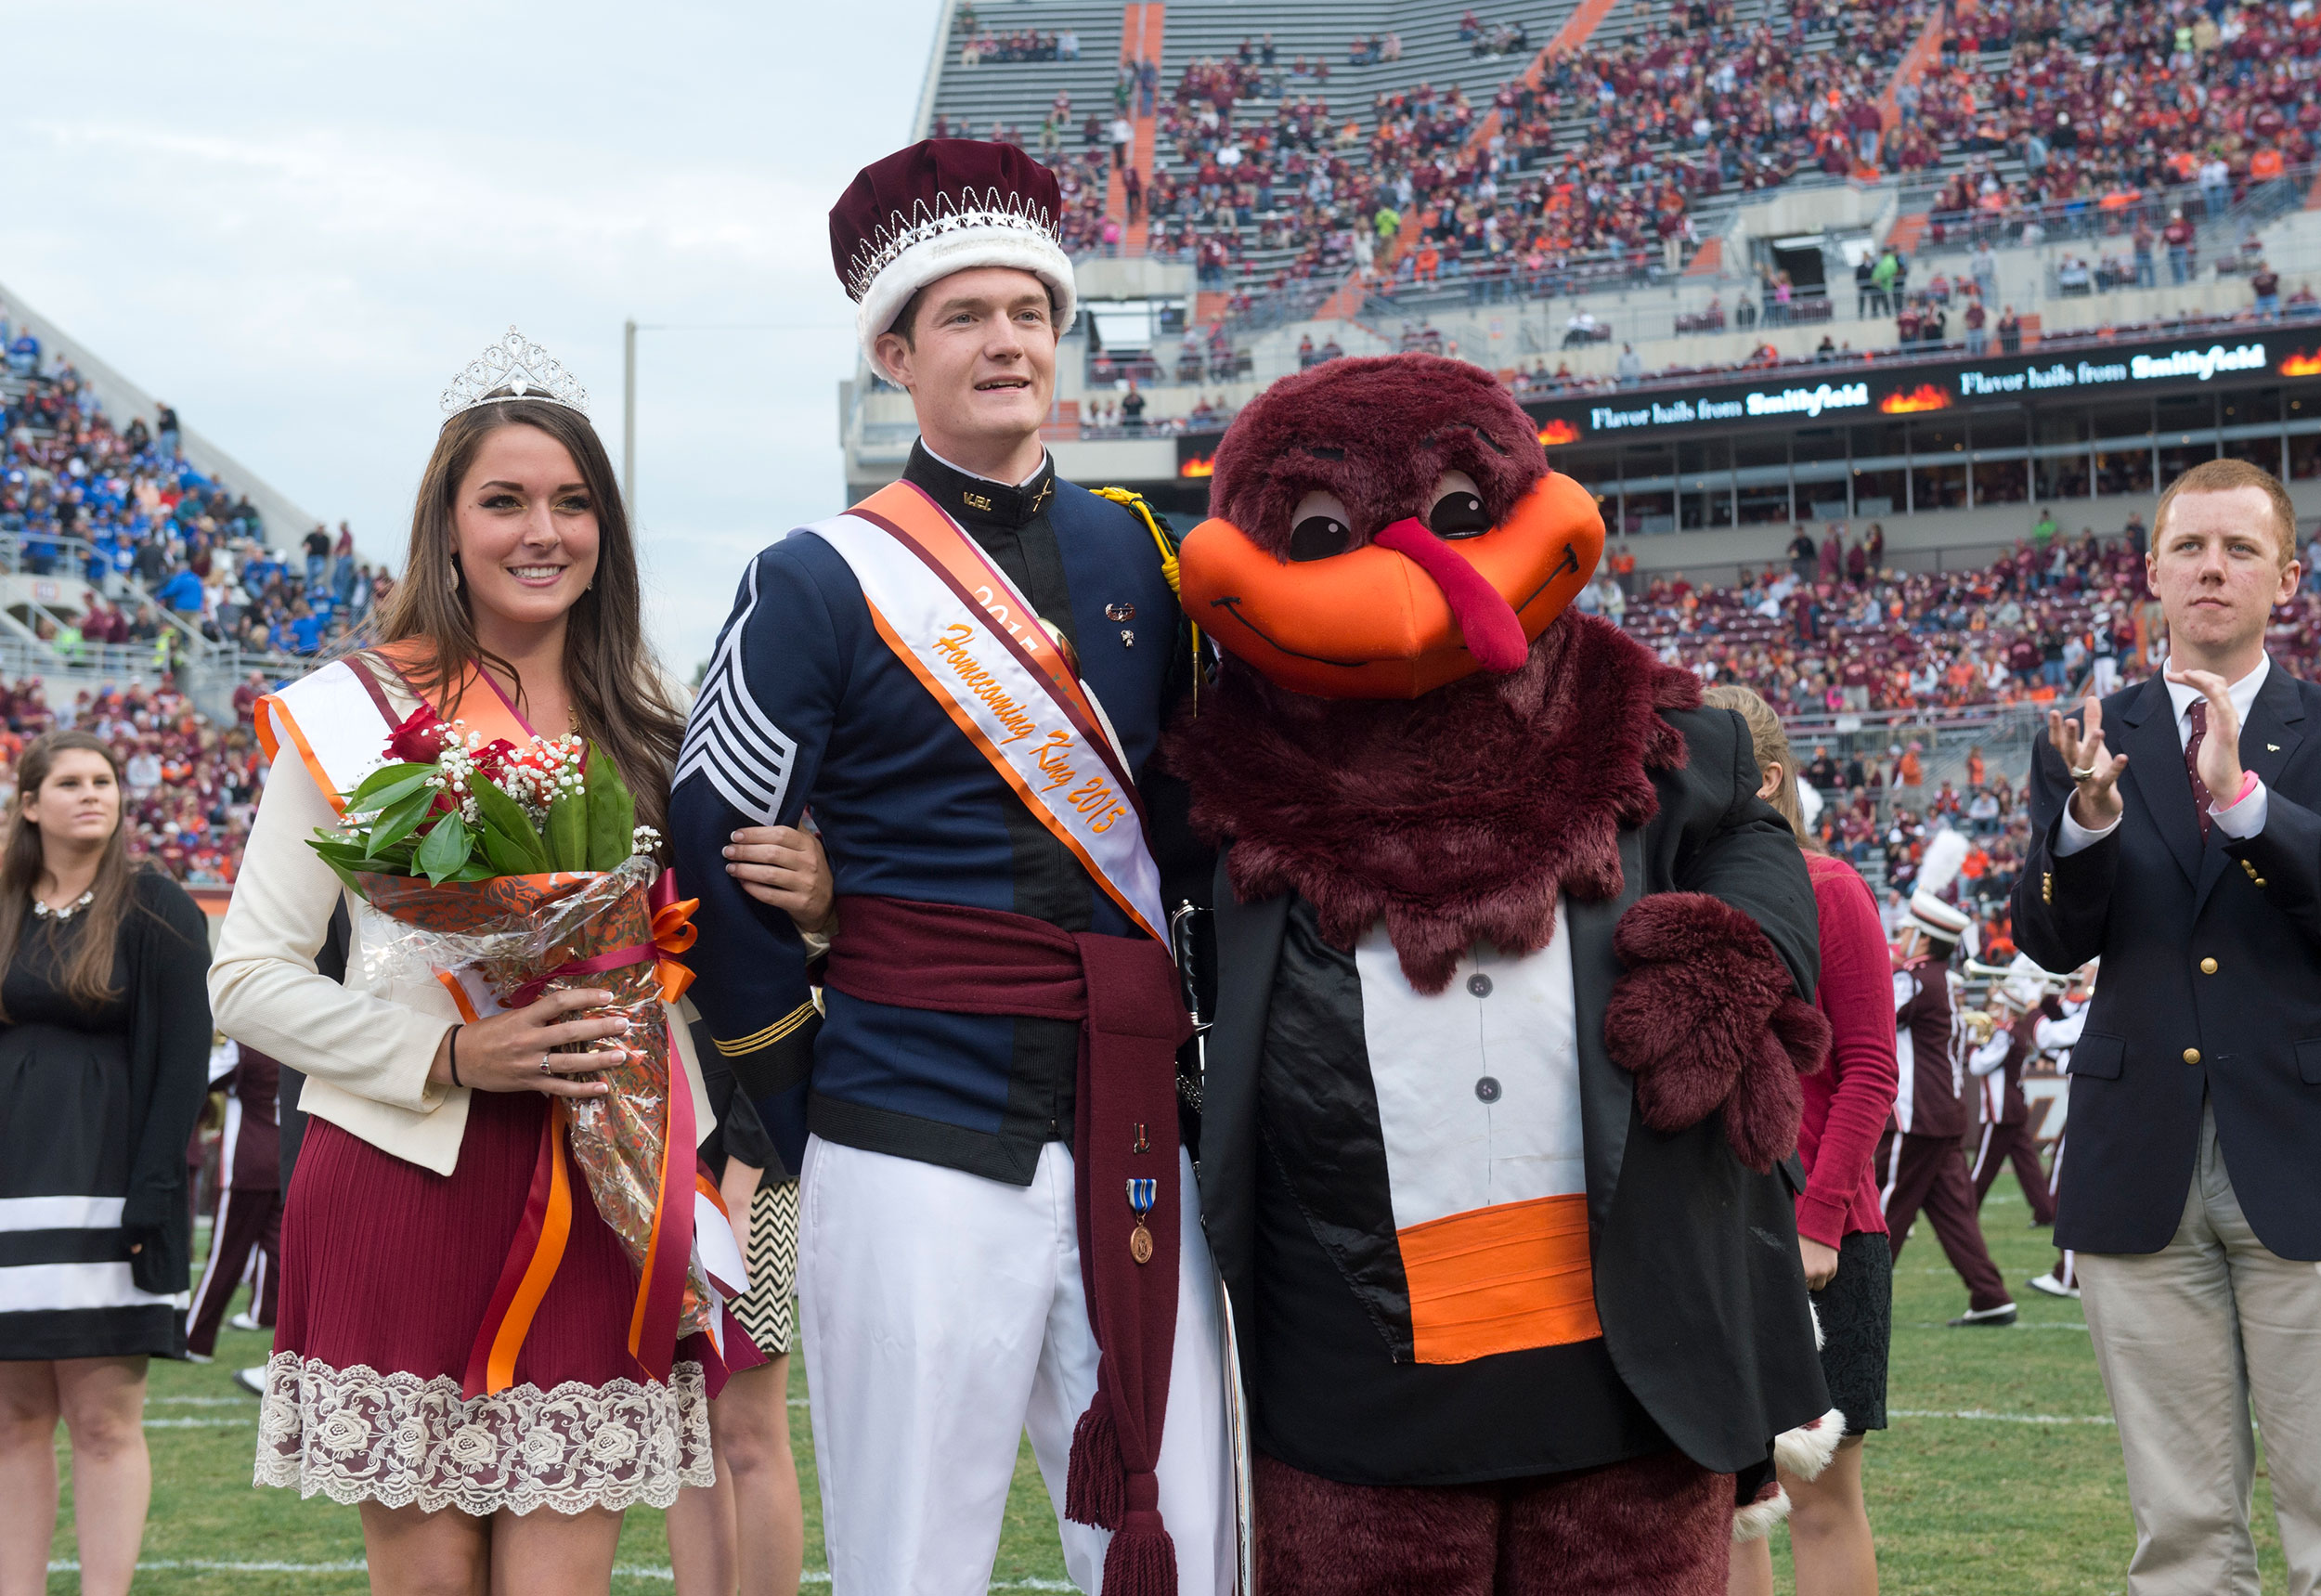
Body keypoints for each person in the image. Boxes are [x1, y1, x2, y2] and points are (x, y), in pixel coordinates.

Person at [670, 140, 1232, 1594]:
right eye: (968, 317)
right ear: (894, 350)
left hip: (1130, 1118)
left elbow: (1191, 831)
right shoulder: (818, 574)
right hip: (904, 1113)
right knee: (911, 1554)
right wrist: (796, 1085)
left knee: (1187, 1528)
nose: (1007, 343)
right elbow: (711, 836)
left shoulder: (1149, 558)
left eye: (1031, 313)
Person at [211, 327, 761, 1594]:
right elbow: (244, 976)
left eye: (573, 503)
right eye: (504, 499)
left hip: (603, 1189)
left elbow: (696, 962)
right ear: (446, 528)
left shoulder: (659, 729)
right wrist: (452, 1050)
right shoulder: (353, 714)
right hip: (403, 1177)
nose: (542, 529)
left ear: (605, 533)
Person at [2016, 457, 2321, 1594]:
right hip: (2138, 1156)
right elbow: (2049, 940)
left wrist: (2248, 808)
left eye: (2240, 549)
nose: (2211, 568)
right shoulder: (2087, 735)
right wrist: (2084, 830)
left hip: (2299, 1147)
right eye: (2190, 546)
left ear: (2285, 578)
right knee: (2182, 1531)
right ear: (2150, 571)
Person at [0, 731, 212, 1596]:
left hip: (113, 1189)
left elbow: (184, 1064)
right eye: (72, 782)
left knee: (104, 1422)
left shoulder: (159, 906)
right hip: (10, 1193)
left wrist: (153, 1194)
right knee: (13, 1420)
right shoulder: (2, 904)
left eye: (106, 779)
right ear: (28, 804)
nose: (95, 793)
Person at [1712, 689, 1897, 1596]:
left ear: (1768, 779)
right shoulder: (1673, 896)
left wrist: (1819, 1218)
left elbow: (1869, 1070)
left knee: (1817, 1497)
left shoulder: (1831, 889)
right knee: (1721, 1504)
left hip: (1824, 1237)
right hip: (1705, 1238)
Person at [1877, 832, 2017, 1327]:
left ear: (1924, 939)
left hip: (1917, 1114)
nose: (1900, 939)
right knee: (1955, 1216)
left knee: (1881, 1209)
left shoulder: (1913, 978)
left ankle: (1859, 1295)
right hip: (1945, 1111)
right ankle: (1990, 1295)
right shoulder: (1939, 980)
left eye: (1908, 933)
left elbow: (1872, 1014)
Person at [184, 1039, 285, 1372]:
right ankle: (285, 1337)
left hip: (244, 1162)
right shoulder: (300, 1041)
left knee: (224, 1257)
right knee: (285, 1257)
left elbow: (202, 1077)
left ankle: (193, 1340)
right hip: (287, 1161)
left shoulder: (249, 1044)